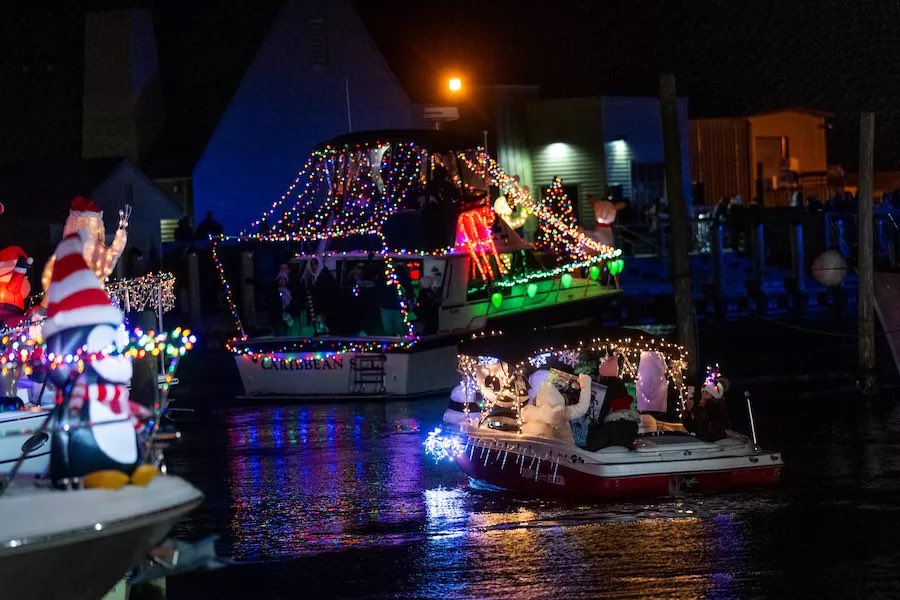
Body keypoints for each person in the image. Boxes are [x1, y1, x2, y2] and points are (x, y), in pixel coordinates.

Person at [682, 375, 728, 442]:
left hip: (712, 444)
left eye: (707, 392)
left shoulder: (715, 408)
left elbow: (706, 428)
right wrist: (688, 411)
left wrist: (693, 411)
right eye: (703, 392)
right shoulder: (700, 407)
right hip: (701, 441)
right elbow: (691, 426)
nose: (704, 393)